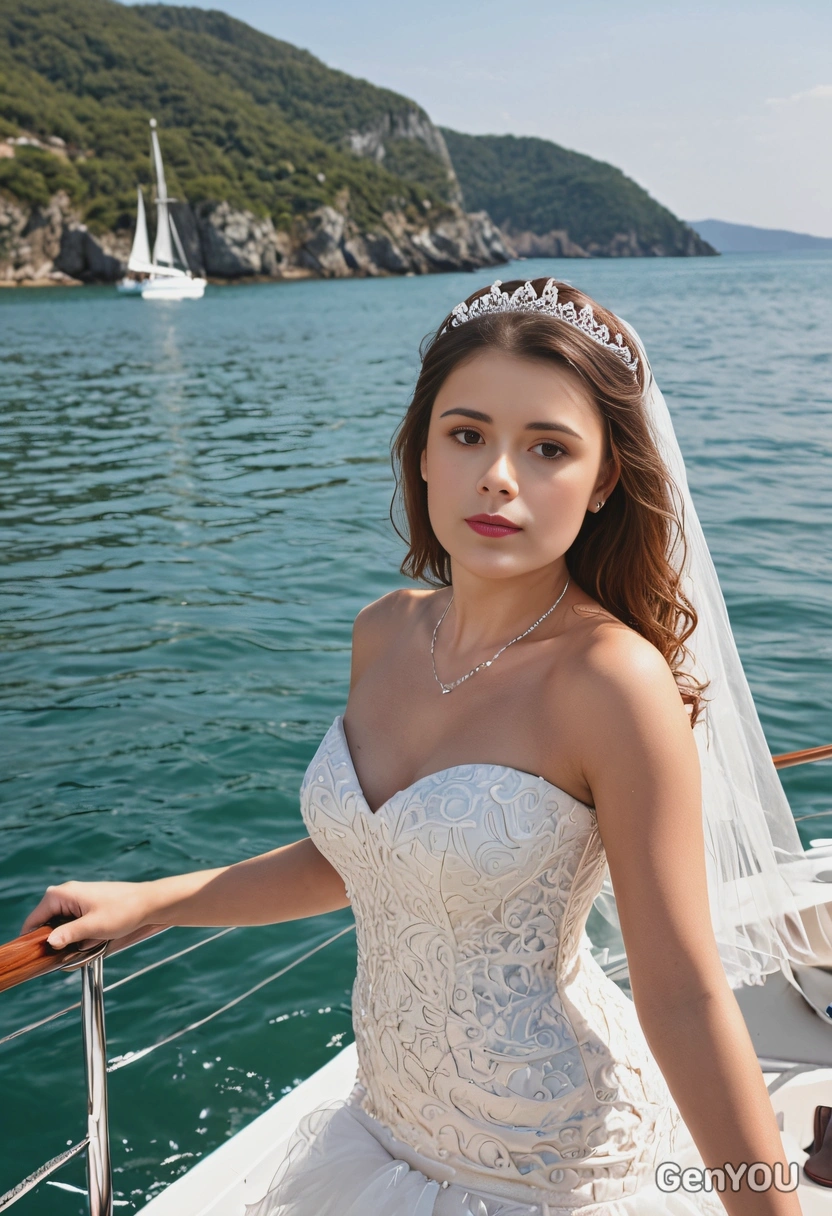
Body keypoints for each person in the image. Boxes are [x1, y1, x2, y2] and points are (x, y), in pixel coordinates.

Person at [23, 277, 821, 1216]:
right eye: (468, 433)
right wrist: (153, 900)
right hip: (380, 1129)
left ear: (605, 479)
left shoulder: (612, 683)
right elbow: (366, 858)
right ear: (425, 452)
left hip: (545, 1165)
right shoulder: (386, 631)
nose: (499, 476)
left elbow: (684, 998)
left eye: (549, 448)